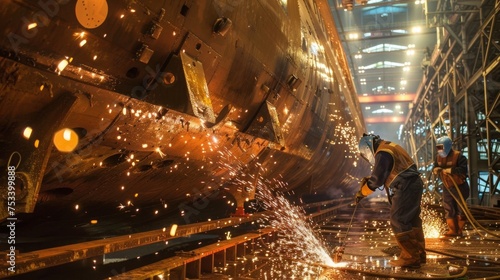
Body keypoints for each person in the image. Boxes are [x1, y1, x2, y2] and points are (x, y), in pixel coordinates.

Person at [356, 133, 425, 268]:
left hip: (405, 185)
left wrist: (362, 192)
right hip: (413, 183)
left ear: (367, 149)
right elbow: (386, 172)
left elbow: (377, 180)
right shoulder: (389, 146)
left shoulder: (382, 153)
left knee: (398, 219)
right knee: (412, 219)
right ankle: (419, 254)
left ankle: (410, 257)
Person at [432, 136, 470, 237]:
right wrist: (435, 169)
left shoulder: (459, 156)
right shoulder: (438, 157)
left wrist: (452, 170)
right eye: (438, 148)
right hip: (447, 186)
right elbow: (435, 166)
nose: (440, 150)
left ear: (447, 146)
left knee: (460, 208)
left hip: (459, 186)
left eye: (441, 147)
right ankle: (452, 230)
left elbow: (463, 170)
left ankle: (459, 231)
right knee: (448, 207)